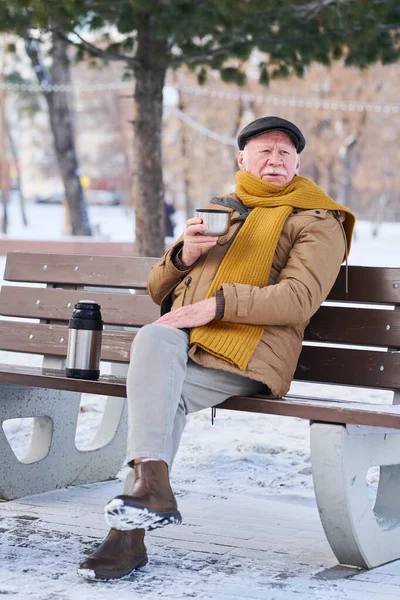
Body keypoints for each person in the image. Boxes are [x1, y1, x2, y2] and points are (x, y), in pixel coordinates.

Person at [78, 116, 355, 580]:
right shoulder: (222, 211)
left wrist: (217, 306)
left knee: (159, 382)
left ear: (298, 163)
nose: (275, 159)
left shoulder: (317, 220)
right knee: (156, 344)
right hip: (188, 350)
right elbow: (156, 289)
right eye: (264, 150)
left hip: (252, 354)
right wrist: (184, 254)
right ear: (241, 158)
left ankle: (129, 532)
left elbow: (299, 299)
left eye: (285, 153)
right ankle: (150, 494)